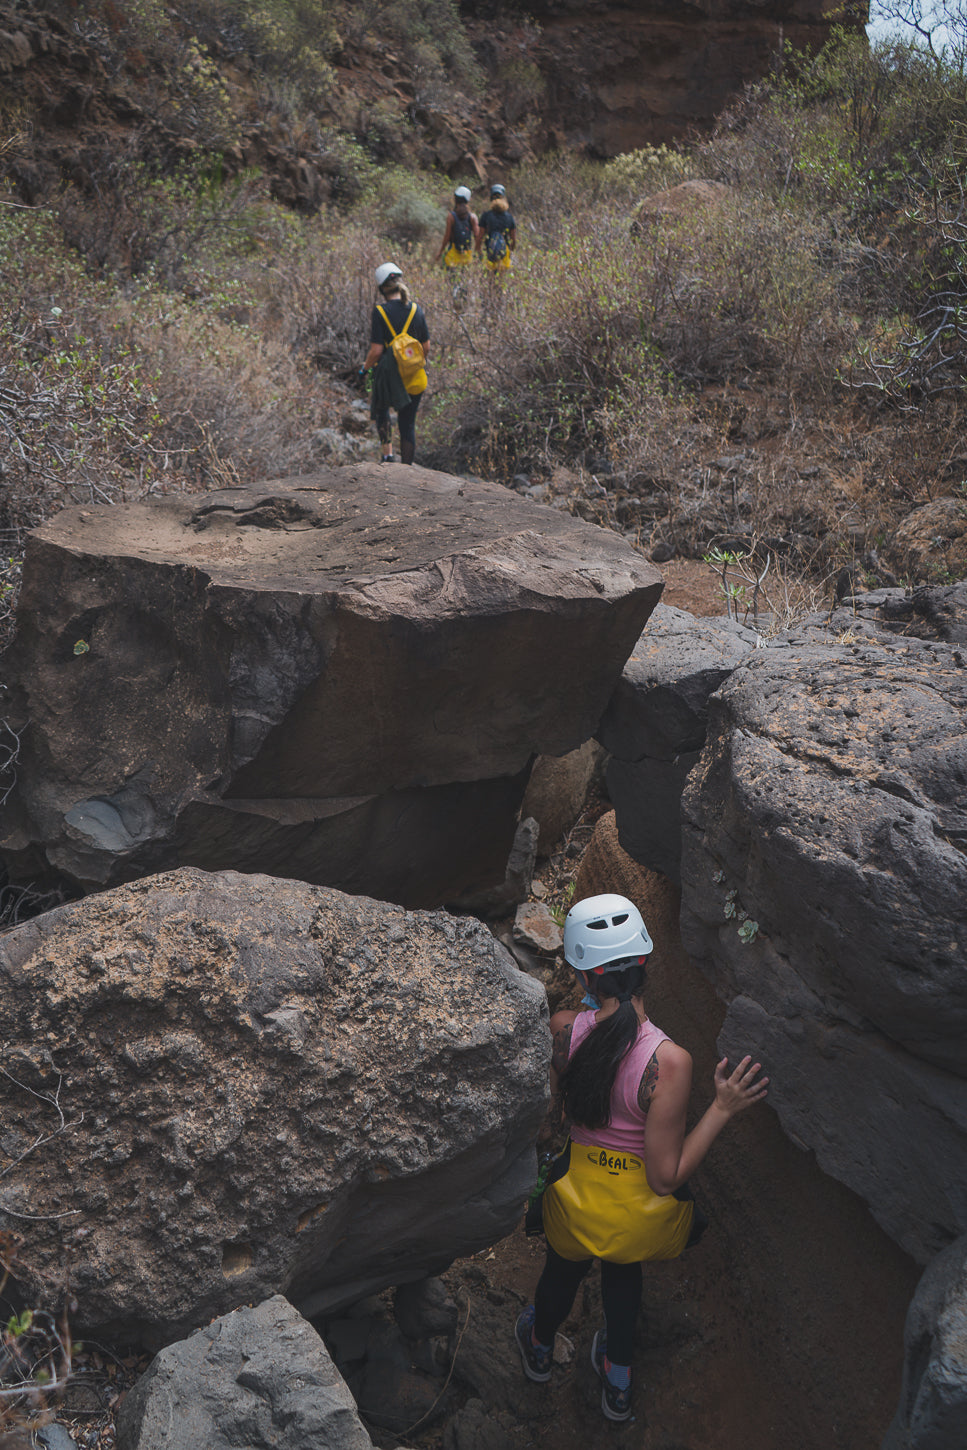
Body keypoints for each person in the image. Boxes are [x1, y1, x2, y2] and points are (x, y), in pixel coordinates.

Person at [516, 893, 768, 1423]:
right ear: (647, 964)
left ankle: (538, 1347)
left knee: (562, 1269)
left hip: (573, 1202)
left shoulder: (563, 1029)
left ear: (585, 975)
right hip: (635, 1220)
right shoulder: (669, 1062)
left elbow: (562, 1102)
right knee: (622, 1275)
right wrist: (721, 1107)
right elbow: (664, 1178)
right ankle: (619, 1382)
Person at [361, 261, 429, 465]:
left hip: (388, 379)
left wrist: (364, 370)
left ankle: (387, 456)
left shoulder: (380, 312)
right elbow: (426, 348)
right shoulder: (416, 310)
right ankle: (406, 468)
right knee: (407, 424)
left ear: (382, 289)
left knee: (382, 411)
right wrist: (410, 364)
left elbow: (376, 351)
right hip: (414, 378)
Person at [434, 185, 479, 269]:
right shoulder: (472, 217)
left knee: (450, 278)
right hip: (467, 255)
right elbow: (477, 236)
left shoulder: (451, 216)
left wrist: (440, 252)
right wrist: (478, 253)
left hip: (453, 253)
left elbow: (447, 237)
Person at [476, 183, 516, 272]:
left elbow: (480, 237)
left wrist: (479, 254)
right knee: (502, 281)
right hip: (504, 254)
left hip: (490, 253)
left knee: (490, 281)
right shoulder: (509, 217)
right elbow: (513, 239)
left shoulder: (486, 216)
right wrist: (510, 252)